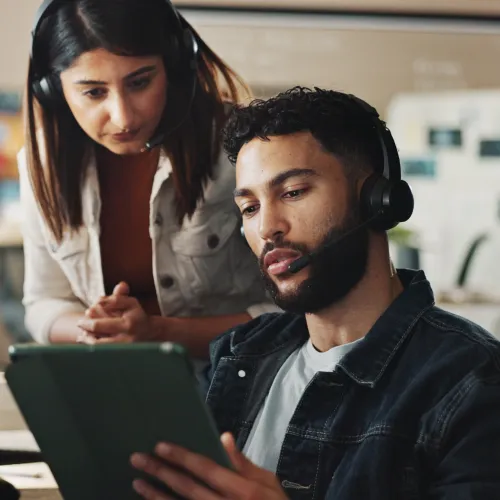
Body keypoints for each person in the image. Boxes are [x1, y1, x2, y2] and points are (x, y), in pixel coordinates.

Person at [128, 87, 500, 499]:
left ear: (377, 200)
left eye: (292, 193)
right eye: (250, 208)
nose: (268, 227)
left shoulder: (471, 379)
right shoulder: (240, 352)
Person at [19, 0, 278, 358]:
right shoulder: (42, 163)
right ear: (52, 88)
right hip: (115, 385)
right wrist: (96, 331)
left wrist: (158, 333)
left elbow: (295, 313)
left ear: (173, 68)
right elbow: (43, 302)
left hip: (237, 383)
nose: (123, 117)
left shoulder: (244, 149)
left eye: (140, 82)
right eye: (94, 92)